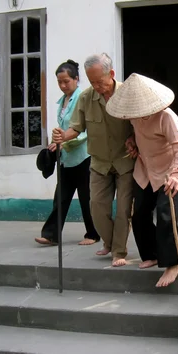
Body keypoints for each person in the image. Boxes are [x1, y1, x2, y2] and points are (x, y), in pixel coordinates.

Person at [105, 73, 178, 287]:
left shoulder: (166, 117)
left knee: (166, 215)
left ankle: (172, 264)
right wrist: (132, 142)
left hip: (168, 172)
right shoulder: (133, 116)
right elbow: (139, 134)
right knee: (140, 214)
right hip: (144, 170)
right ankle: (151, 255)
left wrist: (176, 174)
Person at [53, 53, 137, 267]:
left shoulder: (127, 94)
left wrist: (134, 138)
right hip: (99, 162)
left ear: (111, 74)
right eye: (92, 82)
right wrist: (64, 136)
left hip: (125, 160)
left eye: (100, 81)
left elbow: (140, 125)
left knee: (124, 210)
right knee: (97, 207)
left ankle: (119, 252)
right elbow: (76, 127)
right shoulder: (86, 98)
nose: (96, 86)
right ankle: (108, 243)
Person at [35, 60, 99, 246]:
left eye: (66, 81)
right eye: (59, 82)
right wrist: (56, 143)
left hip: (83, 157)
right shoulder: (62, 102)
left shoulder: (83, 98)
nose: (63, 85)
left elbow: (86, 130)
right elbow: (63, 128)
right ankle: (51, 235)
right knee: (61, 197)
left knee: (87, 198)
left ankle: (93, 234)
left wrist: (65, 141)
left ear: (76, 79)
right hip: (66, 158)